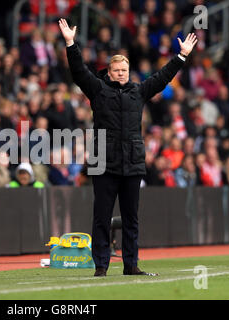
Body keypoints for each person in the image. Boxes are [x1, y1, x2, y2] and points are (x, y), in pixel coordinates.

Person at [58, 18, 197, 277]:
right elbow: (78, 71)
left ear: (129, 71)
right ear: (109, 72)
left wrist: (181, 56)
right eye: (117, 70)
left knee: (131, 219)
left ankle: (131, 265)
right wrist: (70, 43)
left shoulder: (138, 92)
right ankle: (101, 266)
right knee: (101, 217)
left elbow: (162, 78)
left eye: (124, 70)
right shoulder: (97, 90)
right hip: (103, 162)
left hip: (132, 162)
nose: (121, 73)